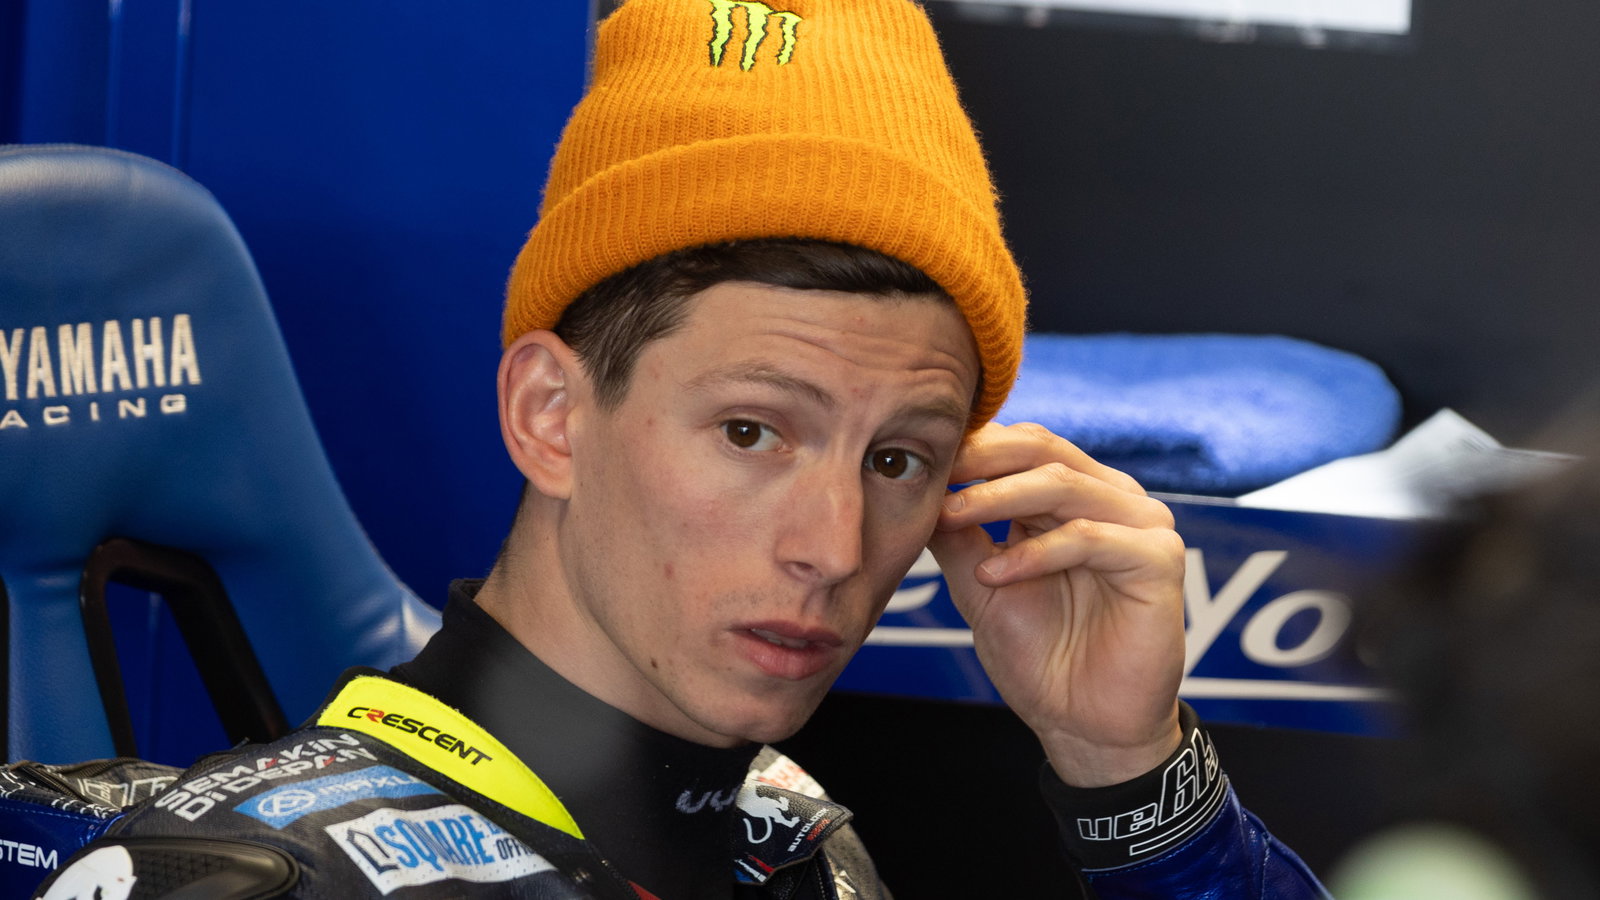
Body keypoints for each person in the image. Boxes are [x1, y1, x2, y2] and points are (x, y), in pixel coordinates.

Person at [33, 1, 1329, 897]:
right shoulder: (270, 883)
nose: (832, 549)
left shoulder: (788, 834)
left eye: (898, 460)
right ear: (551, 415)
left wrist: (1130, 771)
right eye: (752, 431)